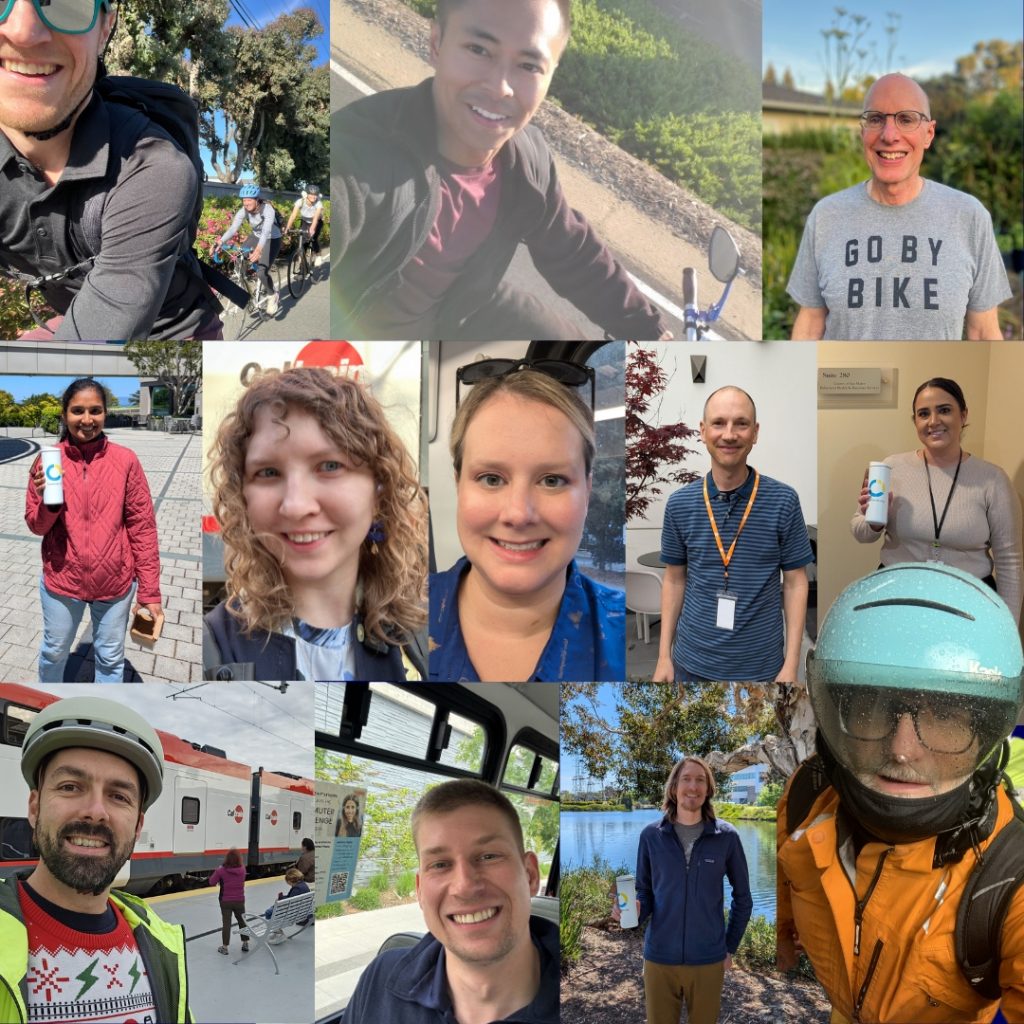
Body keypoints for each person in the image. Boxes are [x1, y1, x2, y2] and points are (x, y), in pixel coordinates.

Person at [334, 0, 672, 341]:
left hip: (459, 310)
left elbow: (572, 252)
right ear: (436, 44)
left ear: (551, 74)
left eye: (528, 65)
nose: (500, 87)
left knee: (577, 360)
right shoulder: (356, 158)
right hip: (360, 343)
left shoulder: (526, 161)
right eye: (479, 49)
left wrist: (649, 332)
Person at [777, 563, 1024, 1023]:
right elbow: (787, 883)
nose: (903, 749)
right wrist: (783, 941)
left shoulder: (1010, 879)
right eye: (873, 707)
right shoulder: (806, 795)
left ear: (986, 732)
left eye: (947, 715)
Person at [0, 0, 223, 340]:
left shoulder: (154, 167)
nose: (23, 32)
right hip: (77, 310)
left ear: (106, 28)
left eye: (62, 2)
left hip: (173, 334)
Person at [203, 366, 428, 681]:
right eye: (268, 472)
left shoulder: (425, 639)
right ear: (243, 498)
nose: (296, 505)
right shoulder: (211, 647)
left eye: (330, 466)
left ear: (379, 490)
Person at [429, 359, 624, 682]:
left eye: (551, 480)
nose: (518, 514)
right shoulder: (402, 613)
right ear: (458, 484)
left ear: (587, 491)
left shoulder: (618, 633)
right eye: (491, 479)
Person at [0, 695, 192, 1023]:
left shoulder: (164, 946)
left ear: (138, 825)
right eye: (71, 786)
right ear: (34, 807)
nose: (95, 812)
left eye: (118, 796)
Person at [788, 73, 1011, 340]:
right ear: (863, 133)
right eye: (875, 119)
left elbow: (984, 331)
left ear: (929, 134)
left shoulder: (969, 217)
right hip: (850, 382)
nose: (889, 135)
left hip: (930, 381)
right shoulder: (826, 216)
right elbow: (811, 323)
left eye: (906, 119)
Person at [343, 779, 557, 1024]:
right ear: (420, 890)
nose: (464, 887)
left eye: (488, 856)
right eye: (440, 864)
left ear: (530, 875)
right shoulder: (380, 978)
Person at [653, 385, 813, 683]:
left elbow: (795, 583)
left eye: (741, 423)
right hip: (691, 663)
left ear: (755, 432)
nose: (729, 434)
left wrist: (791, 666)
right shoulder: (680, 504)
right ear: (702, 431)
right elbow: (674, 579)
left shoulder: (783, 500)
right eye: (718, 423)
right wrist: (664, 657)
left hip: (762, 668)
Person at [851, 376, 1022, 624]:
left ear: (963, 415)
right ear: (915, 422)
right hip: (897, 598)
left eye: (944, 410)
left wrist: (1008, 631)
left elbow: (1010, 563)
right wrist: (874, 523)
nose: (933, 421)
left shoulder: (992, 479)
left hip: (969, 607)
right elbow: (860, 532)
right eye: (923, 414)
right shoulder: (891, 467)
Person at [25, 377, 164, 682]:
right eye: (77, 411)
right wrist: (49, 502)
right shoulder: (48, 460)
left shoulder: (125, 460)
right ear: (64, 415)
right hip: (62, 582)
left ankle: (101, 720)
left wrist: (150, 591)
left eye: (95, 411)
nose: (87, 420)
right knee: (53, 651)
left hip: (115, 584)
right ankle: (50, 707)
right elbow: (36, 526)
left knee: (111, 659)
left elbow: (142, 526)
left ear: (104, 413)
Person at [612, 756, 752, 1024]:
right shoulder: (651, 836)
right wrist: (632, 914)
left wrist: (728, 947)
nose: (693, 786)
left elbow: (743, 899)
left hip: (709, 960)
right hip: (659, 960)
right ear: (674, 787)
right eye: (686, 779)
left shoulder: (727, 837)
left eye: (700, 780)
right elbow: (644, 893)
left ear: (708, 789)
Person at [213, 184, 282, 316]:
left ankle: (272, 295)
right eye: (244, 200)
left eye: (249, 200)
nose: (246, 203)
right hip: (256, 236)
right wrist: (221, 241)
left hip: (272, 239)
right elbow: (233, 229)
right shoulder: (243, 211)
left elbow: (266, 231)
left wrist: (258, 250)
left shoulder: (268, 210)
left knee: (262, 272)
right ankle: (247, 290)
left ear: (257, 199)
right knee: (240, 258)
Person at [208, 848, 248, 956]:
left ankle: (225, 947)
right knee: (242, 921)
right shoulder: (242, 869)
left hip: (225, 901)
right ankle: (245, 943)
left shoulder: (221, 870)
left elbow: (211, 882)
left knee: (226, 923)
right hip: (239, 900)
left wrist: (218, 873)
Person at [284, 183, 325, 266]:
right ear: (306, 194)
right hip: (305, 222)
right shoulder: (300, 202)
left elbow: (315, 218)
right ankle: (302, 266)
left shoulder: (318, 203)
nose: (313, 197)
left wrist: (312, 229)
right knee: (303, 242)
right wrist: (287, 228)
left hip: (317, 222)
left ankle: (318, 255)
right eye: (311, 194)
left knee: (313, 238)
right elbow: (293, 216)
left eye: (315, 195)